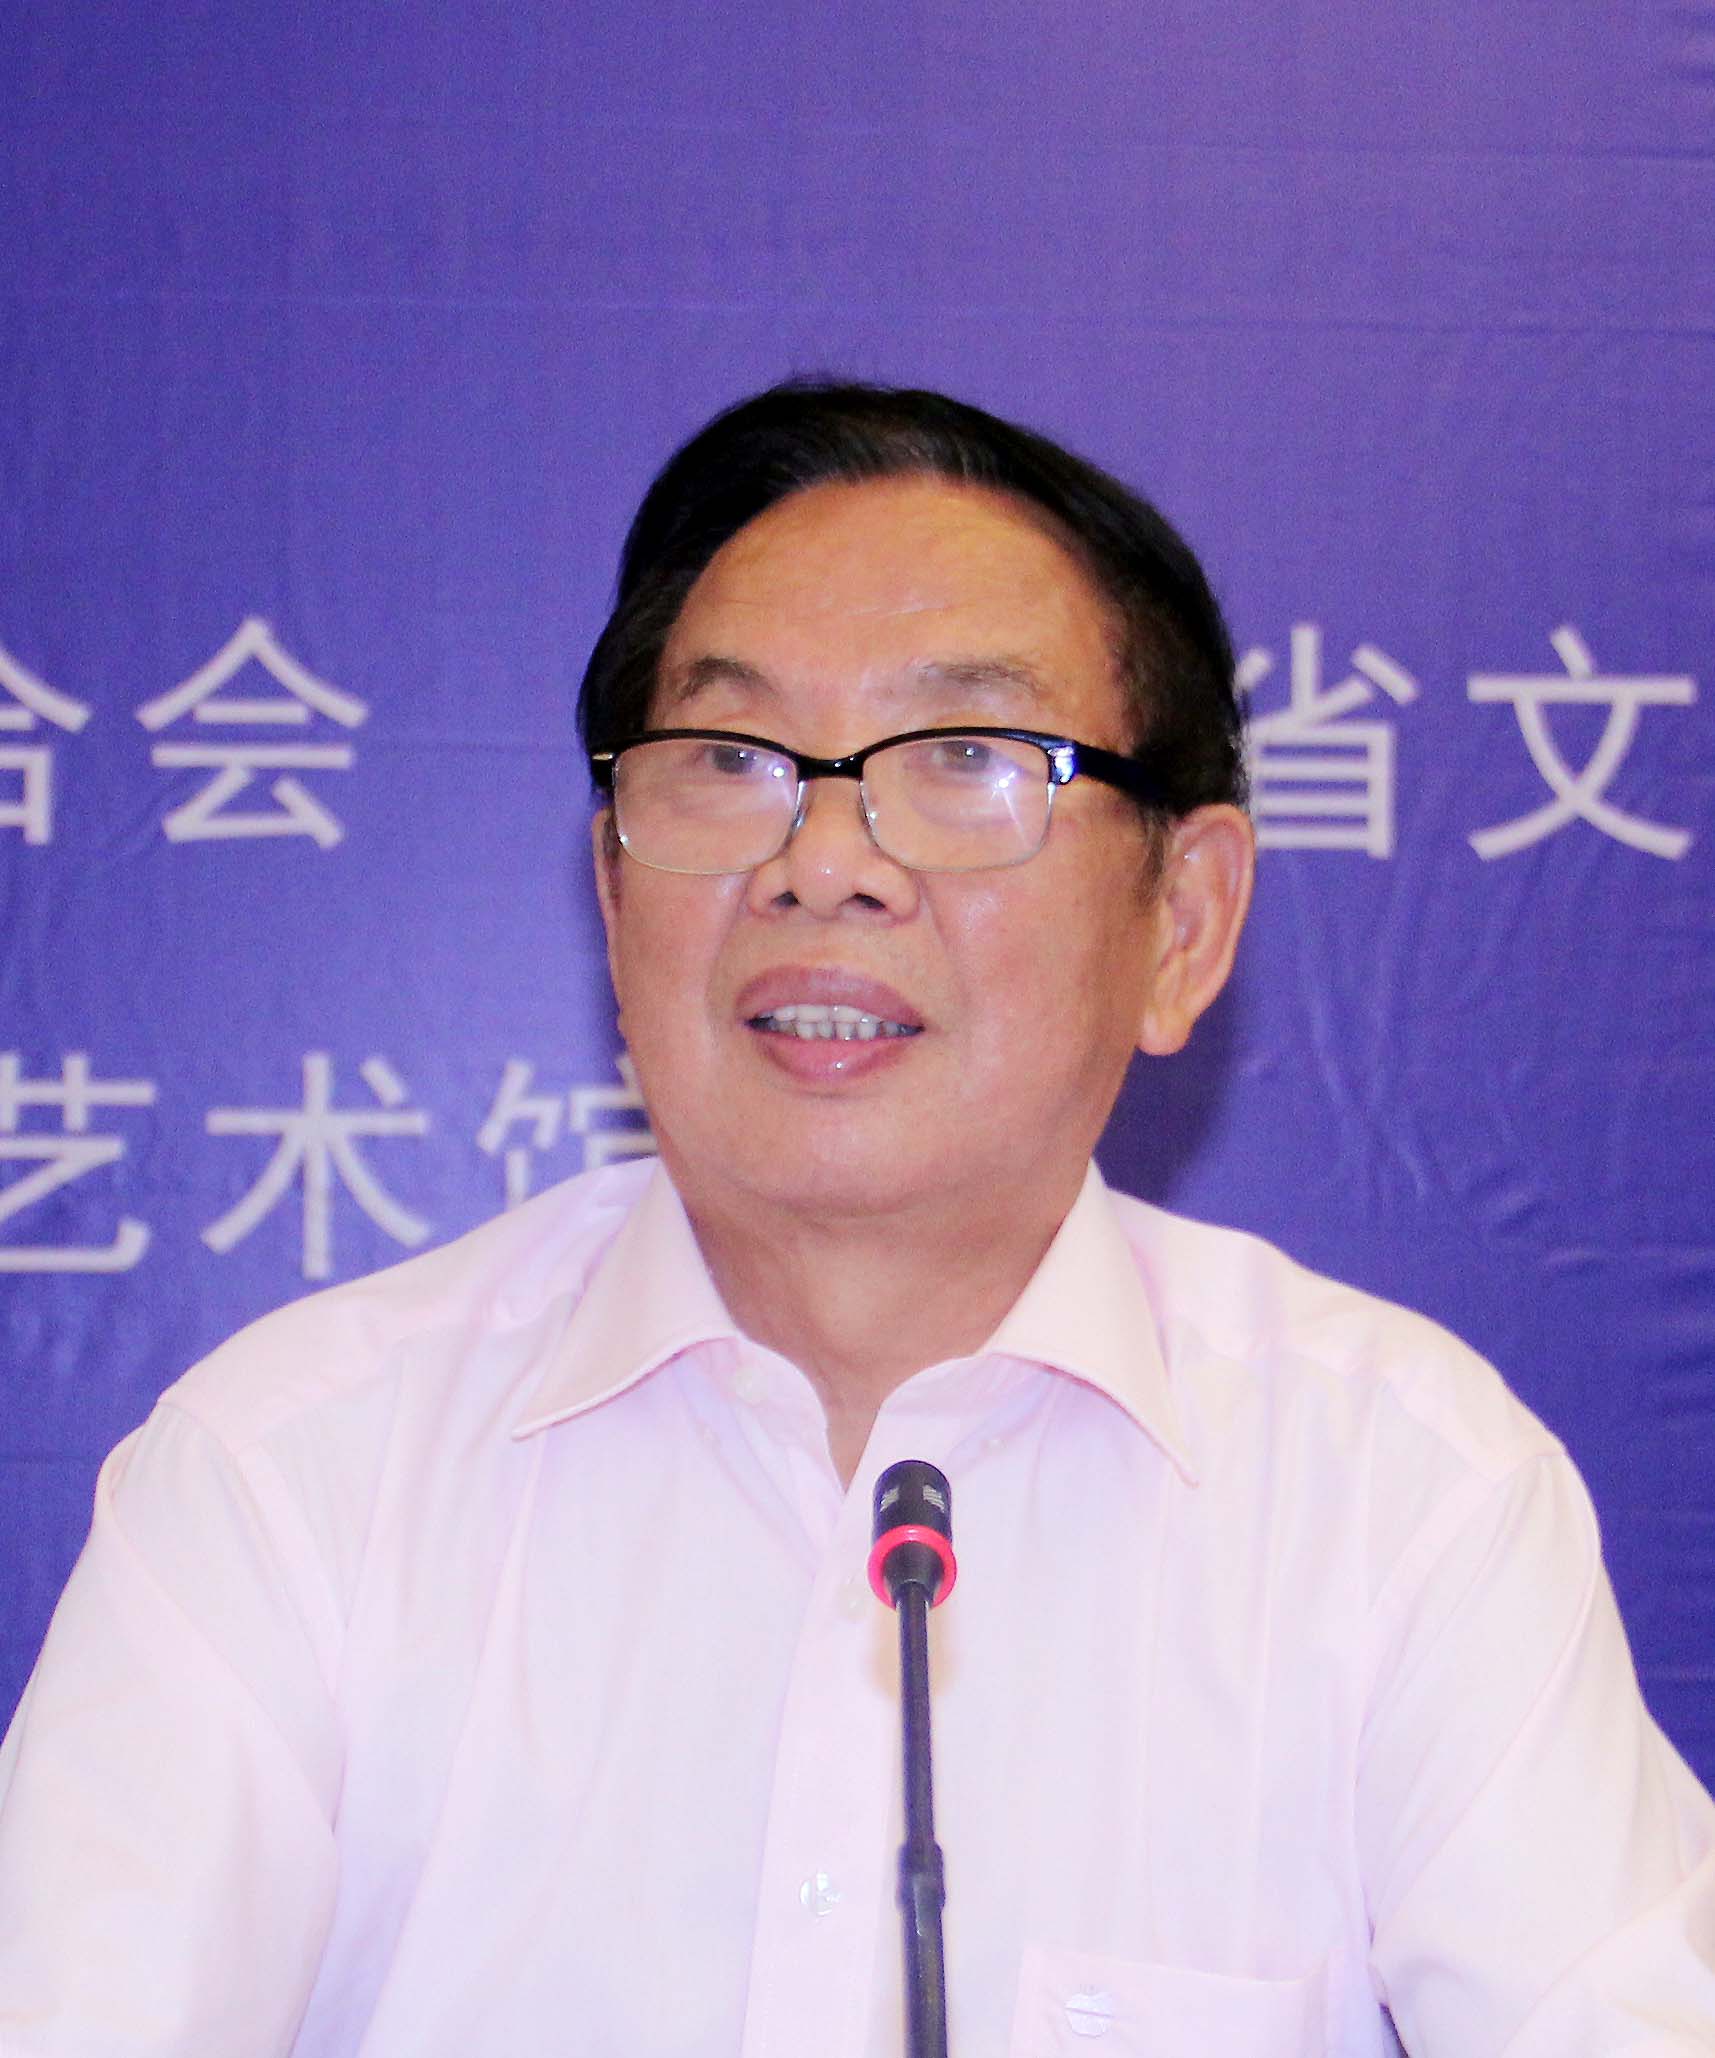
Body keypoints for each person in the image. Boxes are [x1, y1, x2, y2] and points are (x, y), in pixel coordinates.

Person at [1, 381, 1711, 2057]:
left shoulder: (1396, 1497)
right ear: (611, 886)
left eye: (966, 758)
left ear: (1183, 921)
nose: (824, 858)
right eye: (729, 757)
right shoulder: (293, 1476)